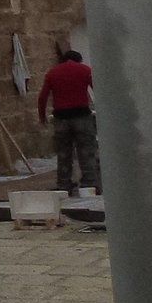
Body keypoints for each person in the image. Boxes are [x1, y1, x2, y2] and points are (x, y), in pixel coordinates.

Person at [37, 49, 100, 196]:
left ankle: (64, 185)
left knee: (64, 153)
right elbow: (98, 89)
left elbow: (42, 97)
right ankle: (89, 184)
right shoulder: (85, 70)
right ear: (78, 60)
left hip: (61, 119)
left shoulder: (52, 73)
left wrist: (42, 117)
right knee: (86, 151)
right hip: (82, 116)